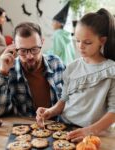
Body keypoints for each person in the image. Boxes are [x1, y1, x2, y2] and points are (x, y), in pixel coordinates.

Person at [36, 8, 115, 142]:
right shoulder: (72, 67)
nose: (80, 46)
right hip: (64, 128)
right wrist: (51, 111)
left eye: (87, 42)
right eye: (77, 41)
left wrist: (90, 130)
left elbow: (113, 112)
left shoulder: (111, 70)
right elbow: (63, 101)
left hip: (93, 134)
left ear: (102, 40)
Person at [0, 22, 65, 118]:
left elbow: (71, 100)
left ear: (42, 42)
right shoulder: (8, 71)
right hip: (24, 130)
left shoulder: (56, 63)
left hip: (57, 128)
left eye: (34, 49)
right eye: (23, 51)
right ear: (14, 46)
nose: (29, 56)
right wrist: (3, 72)